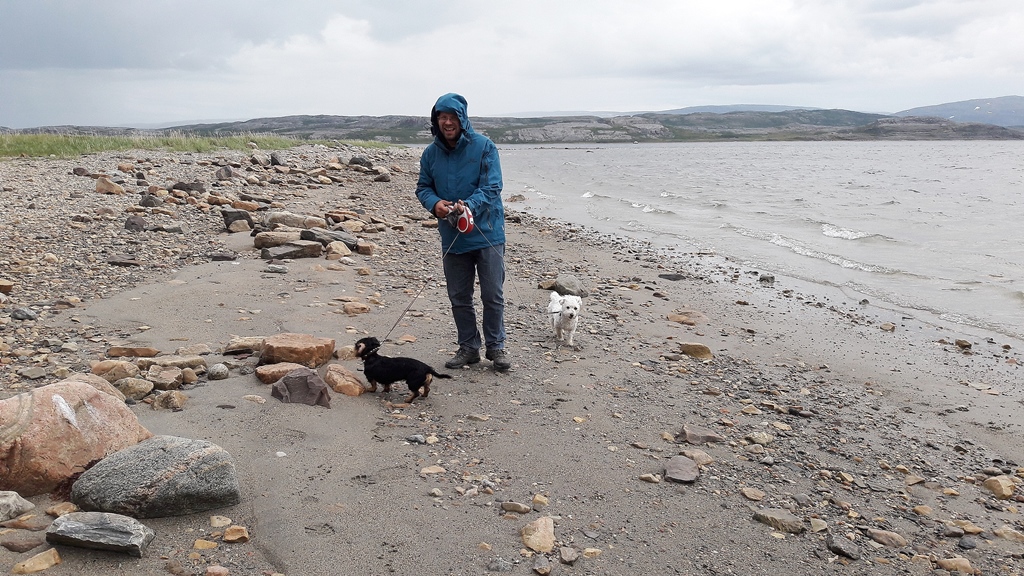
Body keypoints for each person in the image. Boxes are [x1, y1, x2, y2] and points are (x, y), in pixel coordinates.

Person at [415, 93, 510, 372]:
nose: (447, 122)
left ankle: (496, 347)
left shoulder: (485, 147)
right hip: (452, 236)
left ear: (463, 119)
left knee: (493, 294)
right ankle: (468, 347)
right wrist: (436, 205)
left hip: (488, 233)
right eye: (442, 117)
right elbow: (423, 187)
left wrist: (468, 205)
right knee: (459, 296)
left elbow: (493, 187)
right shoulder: (430, 154)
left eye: (452, 117)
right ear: (436, 121)